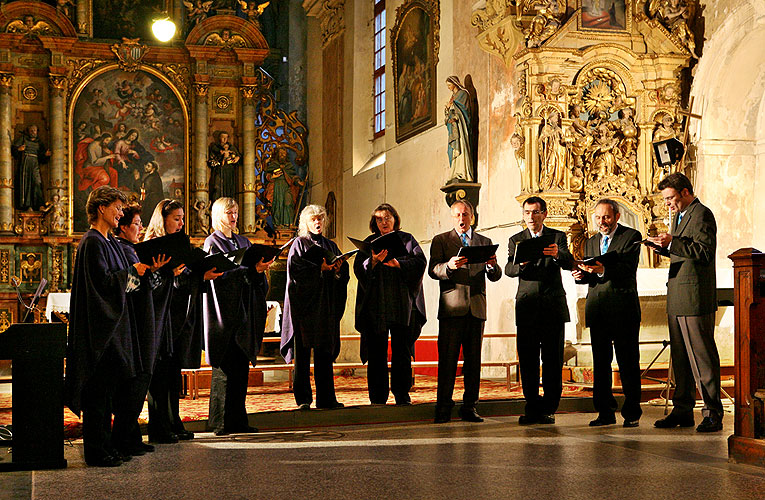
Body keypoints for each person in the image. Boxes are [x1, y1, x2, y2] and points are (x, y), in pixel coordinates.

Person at [65, 186, 151, 467]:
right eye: (117, 208)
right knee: (97, 395)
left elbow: (126, 287)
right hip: (100, 331)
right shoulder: (92, 243)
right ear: (101, 208)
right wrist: (130, 273)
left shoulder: (110, 242)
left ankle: (108, 446)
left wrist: (138, 276)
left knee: (109, 393)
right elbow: (101, 286)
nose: (121, 213)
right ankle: (96, 451)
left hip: (116, 328)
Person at [648, 172, 723, 432]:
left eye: (671, 198)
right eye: (666, 200)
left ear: (686, 192)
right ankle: (682, 409)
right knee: (680, 358)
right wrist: (665, 248)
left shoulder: (701, 214)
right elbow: (684, 250)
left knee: (701, 357)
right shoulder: (679, 217)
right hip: (678, 295)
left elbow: (704, 251)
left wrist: (674, 243)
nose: (668, 204)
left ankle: (712, 412)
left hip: (694, 296)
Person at [202, 197, 274, 435]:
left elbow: (253, 278)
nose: (233, 217)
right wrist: (250, 270)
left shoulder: (243, 241)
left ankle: (239, 421)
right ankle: (221, 422)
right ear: (218, 215)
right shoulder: (212, 242)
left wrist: (258, 270)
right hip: (224, 314)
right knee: (225, 370)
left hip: (245, 313)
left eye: (235, 213)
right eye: (229, 213)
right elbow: (219, 277)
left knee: (241, 370)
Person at [428, 200, 501, 423]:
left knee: (473, 362)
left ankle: (470, 406)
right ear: (453, 217)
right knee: (448, 360)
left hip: (476, 309)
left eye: (465, 214)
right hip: (452, 308)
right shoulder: (441, 240)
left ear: (472, 216)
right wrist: (449, 266)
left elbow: (496, 275)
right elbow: (433, 270)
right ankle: (443, 407)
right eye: (458, 215)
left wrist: (491, 265)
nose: (462, 218)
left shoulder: (484, 241)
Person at [572, 199, 643, 427]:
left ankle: (631, 413)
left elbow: (627, 268)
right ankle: (604, 412)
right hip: (599, 310)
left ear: (617, 217)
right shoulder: (591, 241)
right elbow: (593, 275)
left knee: (628, 363)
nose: (602, 222)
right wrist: (582, 275)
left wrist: (604, 269)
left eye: (607, 217)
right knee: (601, 364)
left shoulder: (630, 237)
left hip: (623, 309)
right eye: (598, 217)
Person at [505, 196, 574, 425]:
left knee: (553, 360)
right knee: (528, 360)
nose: (531, 217)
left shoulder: (557, 236)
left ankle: (549, 408)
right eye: (527, 213)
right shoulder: (516, 239)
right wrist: (519, 265)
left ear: (544, 214)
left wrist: (557, 254)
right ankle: (532, 406)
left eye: (535, 212)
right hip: (527, 307)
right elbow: (508, 268)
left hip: (552, 306)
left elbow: (569, 261)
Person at [354, 203, 426, 405]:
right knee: (376, 352)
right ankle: (377, 397)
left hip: (402, 304)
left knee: (401, 351)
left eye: (387, 218)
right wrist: (373, 262)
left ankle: (402, 395)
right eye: (379, 219)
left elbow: (420, 262)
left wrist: (399, 263)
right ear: (374, 222)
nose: (383, 222)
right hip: (376, 305)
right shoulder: (369, 242)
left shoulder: (407, 239)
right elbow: (359, 269)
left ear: (395, 219)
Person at [111, 205, 169, 457]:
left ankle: (131, 436)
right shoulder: (122, 251)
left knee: (140, 381)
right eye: (136, 223)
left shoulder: (132, 250)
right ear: (123, 227)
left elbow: (147, 287)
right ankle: (123, 438)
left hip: (143, 320)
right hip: (132, 323)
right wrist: (142, 272)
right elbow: (126, 287)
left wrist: (154, 271)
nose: (141, 228)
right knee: (134, 384)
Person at [280, 204, 350, 410]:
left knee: (324, 354)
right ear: (306, 223)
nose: (317, 222)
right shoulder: (299, 244)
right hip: (305, 308)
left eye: (320, 219)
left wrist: (337, 270)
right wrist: (318, 268)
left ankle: (327, 398)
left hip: (326, 306)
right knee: (302, 356)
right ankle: (303, 399)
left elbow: (342, 274)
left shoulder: (331, 245)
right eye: (313, 219)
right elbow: (295, 272)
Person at [444, 76, 475, 184]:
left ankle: (463, 172)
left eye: (449, 85)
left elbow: (465, 111)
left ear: (454, 83)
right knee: (451, 150)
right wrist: (447, 110)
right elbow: (450, 112)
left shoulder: (463, 94)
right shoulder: (452, 97)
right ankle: (455, 172)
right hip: (453, 128)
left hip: (461, 127)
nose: (449, 88)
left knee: (461, 147)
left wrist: (456, 116)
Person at [12, 124, 50, 211]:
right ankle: (27, 205)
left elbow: (42, 157)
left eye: (35, 130)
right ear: (28, 132)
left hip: (35, 163)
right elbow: (14, 148)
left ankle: (39, 204)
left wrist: (46, 155)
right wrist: (19, 149)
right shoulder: (23, 139)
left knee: (37, 182)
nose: (33, 132)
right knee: (26, 183)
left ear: (37, 132)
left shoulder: (39, 142)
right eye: (31, 131)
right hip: (25, 163)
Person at [208, 131, 241, 202]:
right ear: (219, 138)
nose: (225, 139)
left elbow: (237, 156)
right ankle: (216, 203)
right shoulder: (215, 147)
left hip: (229, 171)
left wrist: (237, 158)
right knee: (217, 187)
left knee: (229, 188)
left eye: (226, 138)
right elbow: (212, 159)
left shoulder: (231, 148)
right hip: (219, 170)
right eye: (223, 137)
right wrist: (221, 156)